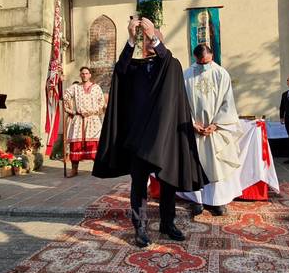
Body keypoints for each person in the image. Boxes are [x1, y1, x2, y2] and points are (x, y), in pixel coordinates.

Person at [92, 16, 206, 248]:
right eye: (148, 42)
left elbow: (166, 58)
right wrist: (132, 39)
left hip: (165, 139)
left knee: (169, 183)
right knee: (138, 184)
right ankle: (140, 227)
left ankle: (167, 223)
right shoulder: (134, 69)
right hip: (138, 139)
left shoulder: (171, 65)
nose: (150, 44)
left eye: (154, 41)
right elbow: (120, 70)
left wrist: (153, 35)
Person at [183, 44, 242, 216]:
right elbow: (182, 103)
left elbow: (227, 102)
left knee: (216, 165)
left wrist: (216, 124)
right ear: (195, 59)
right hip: (194, 129)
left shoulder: (221, 73)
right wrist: (192, 122)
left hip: (215, 129)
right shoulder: (186, 75)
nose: (204, 66)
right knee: (195, 165)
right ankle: (196, 200)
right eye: (200, 63)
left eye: (207, 62)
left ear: (211, 55)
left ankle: (217, 201)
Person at [63, 67, 105, 178]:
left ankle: (98, 169)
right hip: (79, 119)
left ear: (90, 75)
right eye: (82, 74)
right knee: (76, 143)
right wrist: (72, 111)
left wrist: (94, 111)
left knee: (94, 144)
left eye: (86, 73)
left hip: (92, 119)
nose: (84, 75)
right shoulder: (75, 87)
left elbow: (102, 102)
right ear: (80, 75)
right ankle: (74, 170)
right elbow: (65, 97)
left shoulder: (96, 88)